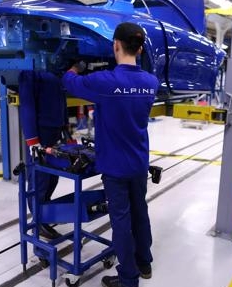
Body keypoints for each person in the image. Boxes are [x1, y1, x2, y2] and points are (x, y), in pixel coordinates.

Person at [62, 22, 158, 287]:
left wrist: (74, 67)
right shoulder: (151, 82)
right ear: (139, 49)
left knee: (121, 222)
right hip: (139, 163)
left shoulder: (104, 82)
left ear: (115, 45)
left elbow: (70, 82)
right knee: (140, 213)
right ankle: (144, 262)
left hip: (115, 167)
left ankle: (128, 279)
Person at [16, 70, 68, 240]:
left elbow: (62, 101)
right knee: (39, 180)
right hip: (41, 134)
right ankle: (38, 223)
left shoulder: (54, 68)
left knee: (53, 178)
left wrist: (65, 130)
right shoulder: (29, 71)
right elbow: (27, 106)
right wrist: (32, 141)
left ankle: (44, 213)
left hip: (54, 132)